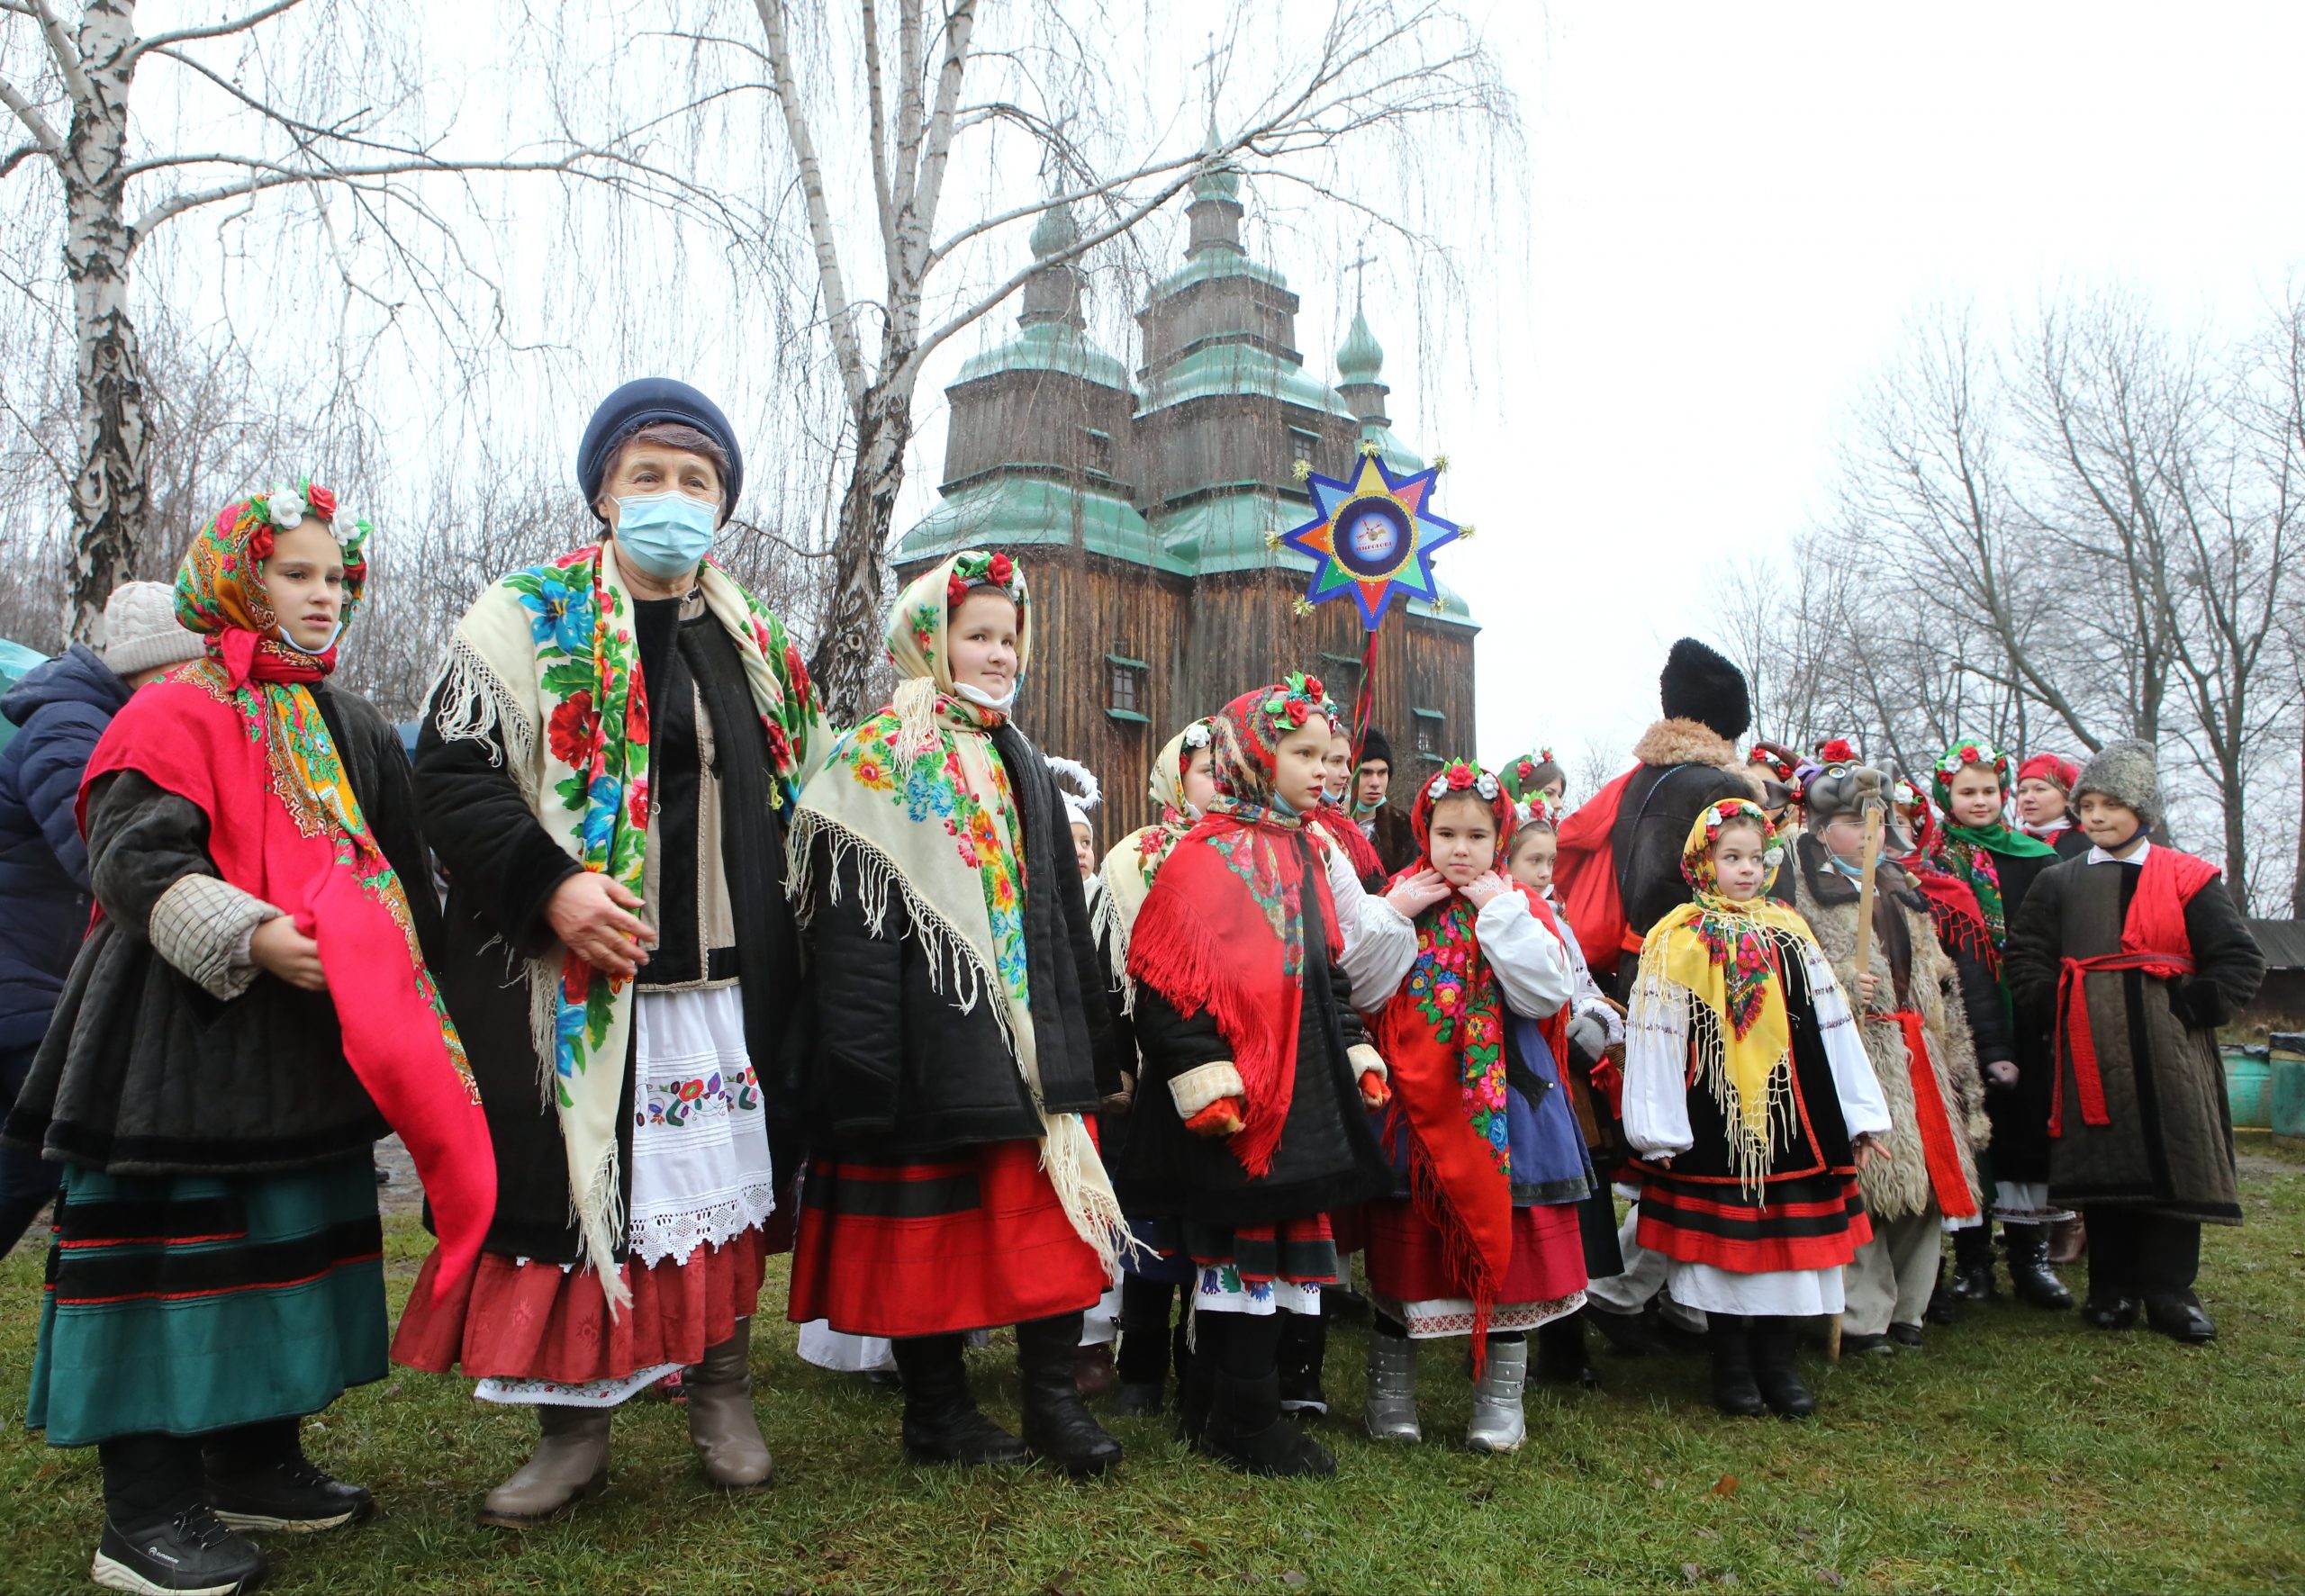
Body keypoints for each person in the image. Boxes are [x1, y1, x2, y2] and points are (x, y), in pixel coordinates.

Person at [5, 485, 493, 1594]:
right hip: (173, 1045)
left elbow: (405, 870)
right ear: (236, 579)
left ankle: (254, 1460)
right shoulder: (173, 710)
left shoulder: (350, 724)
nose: (323, 598)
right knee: (172, 1265)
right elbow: (129, 857)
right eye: (296, 575)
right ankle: (142, 1513)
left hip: (307, 1049)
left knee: (284, 1248)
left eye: (337, 579)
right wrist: (255, 934)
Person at [391, 379, 823, 1524]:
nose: (672, 500)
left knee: (718, 1190)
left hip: (724, 980)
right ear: (602, 492)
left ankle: (720, 1396)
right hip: (574, 979)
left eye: (697, 481)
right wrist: (554, 887)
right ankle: (572, 1432)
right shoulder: (520, 617)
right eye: (649, 477)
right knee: (576, 1194)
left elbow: (798, 800)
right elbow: (451, 779)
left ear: (722, 505)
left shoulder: (759, 643)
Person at [784, 548, 1129, 1476]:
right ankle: (937, 1413)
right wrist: (864, 1061)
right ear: (928, 640)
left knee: (1051, 1228)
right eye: (976, 635)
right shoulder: (877, 758)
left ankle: (1053, 1406)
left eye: (1009, 638)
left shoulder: (1019, 756)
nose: (997, 653)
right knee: (926, 1234)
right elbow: (852, 931)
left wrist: (1089, 1044)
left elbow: (1058, 913)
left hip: (1025, 1042)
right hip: (927, 1040)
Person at [1120, 673, 1394, 1477]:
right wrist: (1206, 1072)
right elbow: (1164, 983)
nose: (1322, 769)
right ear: (1253, 756)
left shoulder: (1308, 851)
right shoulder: (1201, 859)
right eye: (1300, 752)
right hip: (1235, 1101)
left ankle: (1228, 1404)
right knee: (1236, 1256)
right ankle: (1240, 1415)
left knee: (1282, 1258)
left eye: (1324, 754)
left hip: (1300, 1093)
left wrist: (1353, 1047)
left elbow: (1325, 971)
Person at [1622, 799, 1892, 1420]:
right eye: (1730, 856)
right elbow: (1656, 1030)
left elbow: (1831, 1021)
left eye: (1755, 857)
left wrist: (1861, 1111)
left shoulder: (1790, 930)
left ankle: (1778, 1360)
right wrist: (1655, 1124)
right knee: (1725, 1249)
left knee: (1790, 1247)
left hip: (1796, 1115)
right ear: (1702, 860)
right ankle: (1731, 1362)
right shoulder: (1677, 937)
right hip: (1714, 1116)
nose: (1745, 869)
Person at [1356, 761, 1590, 1452]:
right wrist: (1395, 913)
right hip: (1414, 1099)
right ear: (1423, 832)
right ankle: (1390, 1392)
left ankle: (1500, 1399)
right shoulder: (1399, 896)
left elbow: (1545, 994)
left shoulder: (1521, 905)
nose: (1461, 849)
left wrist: (1500, 913)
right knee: (1406, 1245)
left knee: (1511, 1250)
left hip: (1508, 1102)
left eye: (1478, 836)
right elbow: (1364, 988)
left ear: (1500, 839)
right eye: (1446, 832)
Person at [2004, 742, 2264, 1345]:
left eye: (2111, 804)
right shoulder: (2059, 880)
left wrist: (2188, 1006)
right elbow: (2027, 956)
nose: (2095, 816)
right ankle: (2111, 1288)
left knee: (2175, 1160)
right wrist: (2054, 1003)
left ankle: (2172, 1292)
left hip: (2171, 1053)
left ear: (2143, 809)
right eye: (2087, 803)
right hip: (2089, 1048)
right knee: (2106, 1163)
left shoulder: (2187, 877)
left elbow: (2237, 958)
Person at [0, 581, 203, 1258]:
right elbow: (106, 857)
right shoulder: (70, 729)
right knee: (88, 1137)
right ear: (149, 668)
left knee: (41, 1158)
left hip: (35, 979)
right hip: (21, 986)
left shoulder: (97, 719)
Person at [1781, 759, 1987, 1355]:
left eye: (1879, 819)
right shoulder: (1801, 894)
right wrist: (1843, 980)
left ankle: (1911, 1306)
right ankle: (1864, 1312)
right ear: (1822, 830)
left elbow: (1938, 978)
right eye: (1852, 819)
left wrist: (1955, 1057)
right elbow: (1793, 970)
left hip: (1917, 1049)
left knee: (1922, 1186)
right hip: (1859, 1052)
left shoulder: (1903, 888)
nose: (1870, 830)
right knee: (1868, 1183)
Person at [1091, 717, 1220, 1418]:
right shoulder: (1132, 858)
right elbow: (1110, 974)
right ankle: (1139, 1367)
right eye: (1205, 769)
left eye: (1230, 769)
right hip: (1152, 1064)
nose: (1218, 782)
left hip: (1228, 1064)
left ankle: (1201, 1365)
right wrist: (1118, 1064)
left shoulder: (1245, 853)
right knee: (1149, 1223)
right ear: (1176, 776)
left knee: (1210, 1223)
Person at [1924, 738, 2073, 1311]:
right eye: (1967, 792)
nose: (1980, 801)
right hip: (1961, 1012)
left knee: (2026, 1130)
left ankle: (2031, 1257)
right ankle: (1974, 1259)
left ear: (2003, 794)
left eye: (1989, 791)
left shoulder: (2036, 859)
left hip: (2029, 1007)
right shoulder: (1934, 864)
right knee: (1973, 1134)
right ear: (1947, 797)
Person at [1554, 639, 1767, 1001]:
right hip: (1698, 976)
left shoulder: (1634, 783)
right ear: (1727, 726)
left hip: (1633, 968)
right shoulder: (1725, 788)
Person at [1314, 720, 1386, 888]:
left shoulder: (1339, 818)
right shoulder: (1307, 825)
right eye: (1336, 761)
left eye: (1347, 762)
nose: (1347, 773)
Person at [1350, 725, 1418, 878]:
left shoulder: (1405, 831)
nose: (1375, 782)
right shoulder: (1322, 824)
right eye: (1365, 772)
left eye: (1382, 773)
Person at [2015, 753, 2090, 859]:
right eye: (2023, 791)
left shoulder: (2087, 846)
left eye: (2040, 789)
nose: (2028, 798)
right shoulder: (2010, 844)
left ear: (2068, 798)